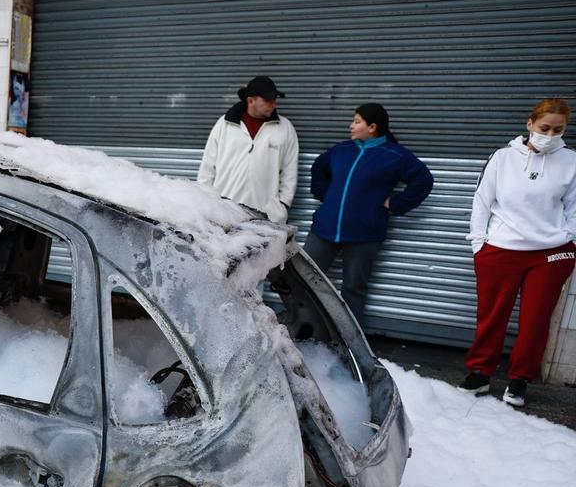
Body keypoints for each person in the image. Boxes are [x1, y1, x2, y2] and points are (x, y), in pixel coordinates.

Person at [459, 98, 576, 408]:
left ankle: (519, 379)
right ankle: (480, 373)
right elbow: (482, 202)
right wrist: (478, 244)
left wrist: (568, 241)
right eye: (544, 128)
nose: (550, 135)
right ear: (530, 124)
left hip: (550, 253)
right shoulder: (502, 158)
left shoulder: (571, 161)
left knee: (536, 320)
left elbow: (574, 208)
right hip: (500, 250)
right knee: (491, 315)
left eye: (558, 130)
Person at [304, 103, 434, 321]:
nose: (351, 126)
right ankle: (304, 328)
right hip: (324, 230)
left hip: (364, 236)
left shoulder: (394, 155)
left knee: (353, 289)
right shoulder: (342, 149)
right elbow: (319, 167)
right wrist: (327, 195)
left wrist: (396, 203)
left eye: (356, 121)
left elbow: (423, 180)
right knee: (305, 278)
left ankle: (349, 344)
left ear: (372, 127)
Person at [197, 76, 299, 224]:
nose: (273, 104)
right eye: (268, 100)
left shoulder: (285, 128)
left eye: (274, 100)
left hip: (266, 217)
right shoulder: (225, 124)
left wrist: (282, 205)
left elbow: (290, 172)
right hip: (225, 213)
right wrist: (206, 201)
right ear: (251, 100)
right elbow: (207, 167)